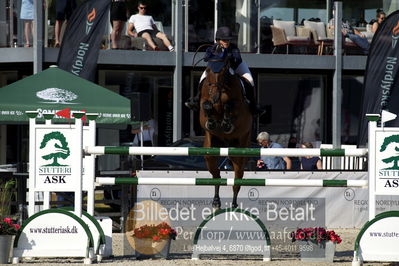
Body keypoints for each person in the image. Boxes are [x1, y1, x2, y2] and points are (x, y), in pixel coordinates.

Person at [184, 26, 264, 115]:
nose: (227, 42)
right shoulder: (212, 48)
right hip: (214, 69)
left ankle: (253, 106)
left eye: (228, 40)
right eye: (224, 40)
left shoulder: (233, 48)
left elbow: (237, 59)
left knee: (250, 80)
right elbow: (206, 58)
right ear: (218, 40)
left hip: (235, 67)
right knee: (202, 79)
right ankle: (196, 100)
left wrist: (228, 55)